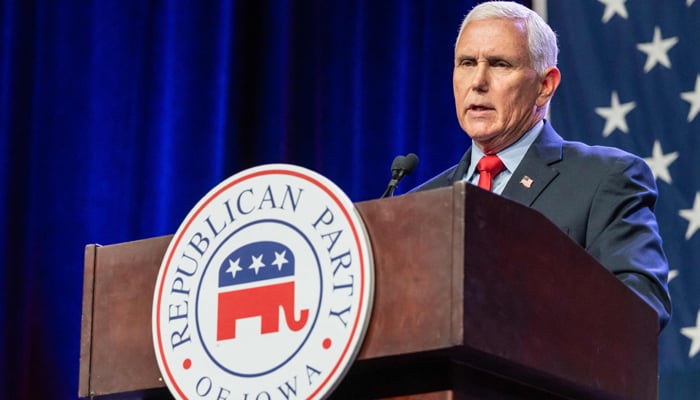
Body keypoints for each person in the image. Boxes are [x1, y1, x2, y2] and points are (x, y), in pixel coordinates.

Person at [413, 1, 671, 330]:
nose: (477, 81)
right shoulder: (421, 204)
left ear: (545, 85)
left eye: (499, 64)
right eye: (466, 63)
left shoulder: (604, 179)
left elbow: (640, 307)